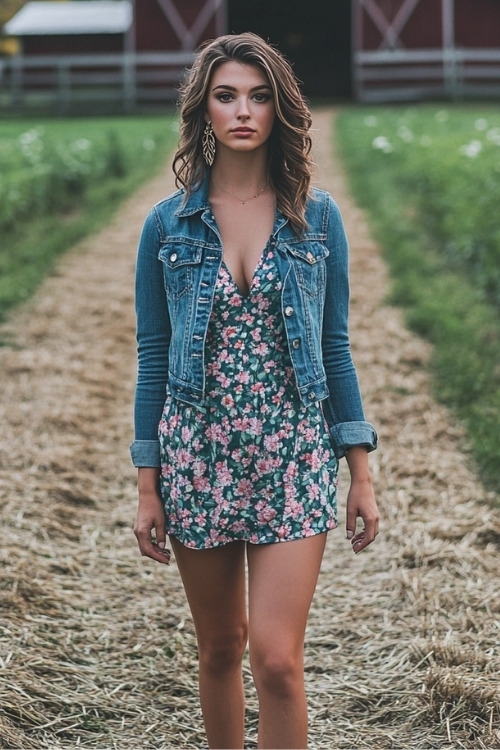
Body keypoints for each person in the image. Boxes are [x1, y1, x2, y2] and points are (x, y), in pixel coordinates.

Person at [131, 31, 379, 750]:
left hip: (292, 453)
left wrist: (359, 469)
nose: (244, 110)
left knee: (277, 661)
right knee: (219, 650)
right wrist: (148, 482)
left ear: (281, 109)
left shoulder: (317, 217)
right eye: (227, 95)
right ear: (204, 110)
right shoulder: (166, 226)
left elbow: (334, 348)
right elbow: (153, 356)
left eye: (261, 96)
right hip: (196, 456)